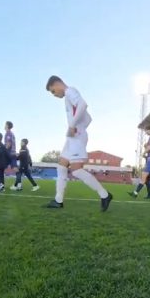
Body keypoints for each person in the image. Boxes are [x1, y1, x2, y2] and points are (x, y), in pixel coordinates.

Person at [44, 76, 113, 211]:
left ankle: (104, 195)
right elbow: (88, 118)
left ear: (57, 84)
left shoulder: (70, 91)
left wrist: (74, 126)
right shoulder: (68, 96)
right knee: (61, 166)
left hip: (76, 136)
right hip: (73, 137)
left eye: (53, 91)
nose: (54, 95)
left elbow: (83, 104)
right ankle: (58, 200)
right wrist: (78, 126)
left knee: (76, 170)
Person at [3, 121, 20, 190]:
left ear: (7, 126)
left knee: (0, 167)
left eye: (5, 125)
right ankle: (19, 185)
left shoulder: (8, 133)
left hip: (9, 154)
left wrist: (3, 151)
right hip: (13, 153)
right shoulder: (11, 133)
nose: (4, 126)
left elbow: (8, 144)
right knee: (15, 169)